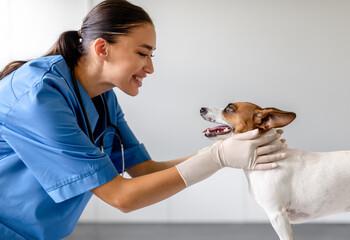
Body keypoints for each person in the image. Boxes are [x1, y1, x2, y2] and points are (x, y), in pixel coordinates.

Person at [0, 0, 287, 239]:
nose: (150, 67)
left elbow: (143, 171)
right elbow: (121, 197)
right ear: (102, 48)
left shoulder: (102, 96)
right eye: (142, 53)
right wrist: (219, 158)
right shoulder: (38, 96)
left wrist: (219, 153)